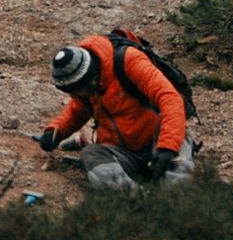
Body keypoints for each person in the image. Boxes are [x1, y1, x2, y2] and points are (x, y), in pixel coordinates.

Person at [35, 34, 195, 189]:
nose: (74, 96)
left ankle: (177, 201)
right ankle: (135, 201)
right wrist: (55, 131)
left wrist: (167, 147)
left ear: (90, 80)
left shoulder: (129, 60)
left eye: (77, 92)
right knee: (90, 154)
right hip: (124, 154)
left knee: (176, 144)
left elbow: (170, 98)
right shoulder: (89, 84)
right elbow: (78, 109)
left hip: (157, 142)